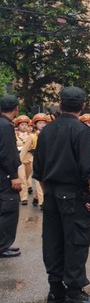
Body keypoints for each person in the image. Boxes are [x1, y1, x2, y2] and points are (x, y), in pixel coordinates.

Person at [32, 87, 90, 303]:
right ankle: (74, 292)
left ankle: (55, 290)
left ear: (60, 105)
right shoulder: (82, 131)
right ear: (82, 106)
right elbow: (88, 167)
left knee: (53, 240)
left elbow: (39, 169)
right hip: (73, 194)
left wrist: (48, 191)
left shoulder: (46, 131)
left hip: (51, 193)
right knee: (76, 241)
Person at [0, 95, 22, 258]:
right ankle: (3, 245)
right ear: (16, 109)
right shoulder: (6, 126)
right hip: (5, 175)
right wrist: (13, 175)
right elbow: (7, 154)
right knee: (9, 209)